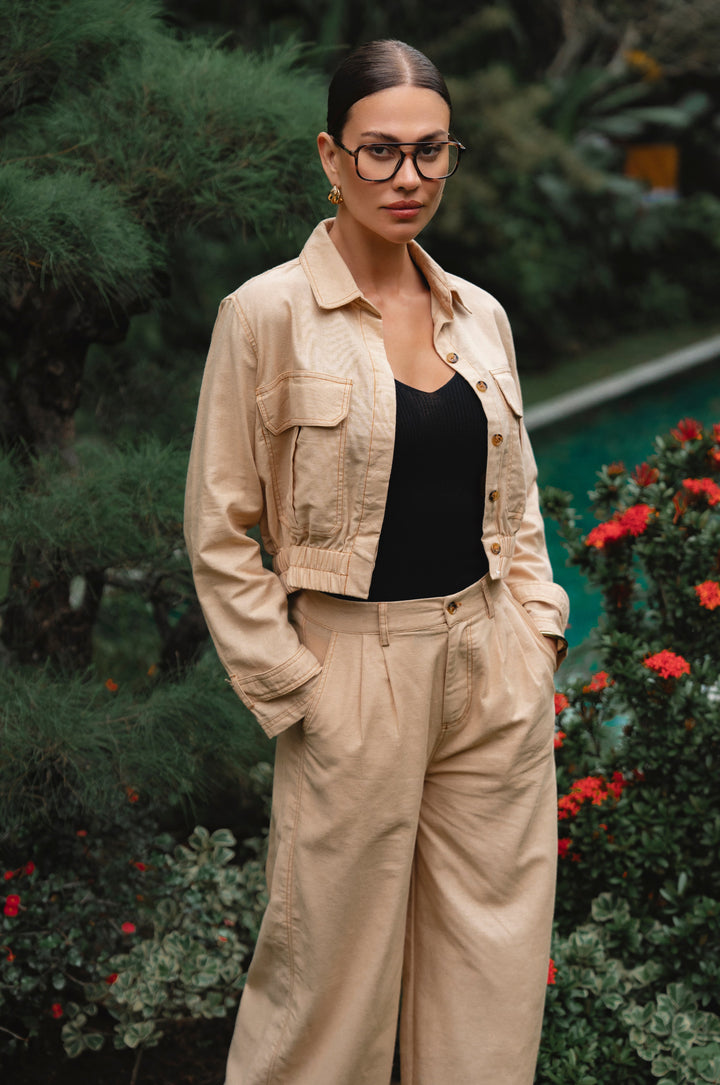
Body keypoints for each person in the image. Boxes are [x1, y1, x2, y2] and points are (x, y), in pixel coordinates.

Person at [184, 38, 569, 1085]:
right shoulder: (266, 315)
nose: (408, 178)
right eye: (381, 153)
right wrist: (296, 684)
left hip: (490, 665)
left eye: (429, 152)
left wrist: (535, 634)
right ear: (331, 155)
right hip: (350, 672)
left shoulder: (479, 316)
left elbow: (518, 498)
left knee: (489, 973)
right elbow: (220, 530)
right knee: (325, 985)